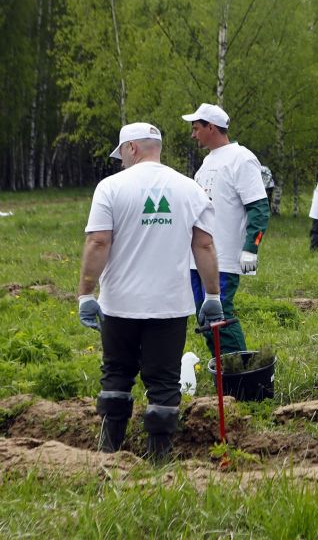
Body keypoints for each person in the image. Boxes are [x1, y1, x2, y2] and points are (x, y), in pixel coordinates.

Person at [78, 122, 223, 459]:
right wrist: (213, 296)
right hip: (169, 306)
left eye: (122, 155)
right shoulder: (189, 189)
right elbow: (204, 245)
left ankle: (109, 452)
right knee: (164, 381)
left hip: (119, 305)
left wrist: (86, 294)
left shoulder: (110, 188)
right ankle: (159, 456)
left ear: (132, 149)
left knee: (116, 373)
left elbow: (98, 241)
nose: (122, 162)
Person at [182, 103, 269, 356]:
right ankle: (222, 372)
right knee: (204, 318)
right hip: (198, 257)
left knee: (220, 316)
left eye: (196, 128)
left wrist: (250, 250)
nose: (193, 134)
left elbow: (260, 208)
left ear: (211, 127)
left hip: (225, 258)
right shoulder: (207, 162)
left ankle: (240, 373)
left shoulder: (242, 158)